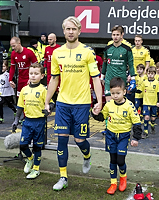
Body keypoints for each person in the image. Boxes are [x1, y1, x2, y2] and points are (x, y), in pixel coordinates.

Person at [44, 16, 103, 191]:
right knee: (61, 140)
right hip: (63, 103)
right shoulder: (57, 53)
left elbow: (96, 79)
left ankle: (87, 155)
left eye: (73, 29)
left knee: (79, 139)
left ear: (79, 31)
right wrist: (47, 101)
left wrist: (99, 101)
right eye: (68, 29)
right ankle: (63, 177)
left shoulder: (88, 52)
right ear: (63, 31)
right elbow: (54, 79)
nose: (70, 32)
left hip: (82, 104)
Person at [91, 77, 142, 195]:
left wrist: (136, 138)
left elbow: (137, 122)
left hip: (123, 136)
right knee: (113, 160)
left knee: (120, 160)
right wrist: (94, 113)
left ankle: (123, 178)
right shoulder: (109, 105)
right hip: (110, 135)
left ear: (124, 92)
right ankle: (113, 183)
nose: (115, 96)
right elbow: (101, 117)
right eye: (113, 93)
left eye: (118, 93)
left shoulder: (129, 106)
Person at [12, 63, 48, 179]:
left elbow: (50, 103)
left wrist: (49, 109)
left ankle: (36, 169)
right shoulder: (24, 89)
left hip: (39, 122)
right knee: (23, 145)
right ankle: (30, 159)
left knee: (37, 147)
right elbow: (20, 106)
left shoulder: (44, 90)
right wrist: (16, 120)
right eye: (31, 73)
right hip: (27, 122)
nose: (33, 76)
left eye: (36, 74)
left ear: (42, 76)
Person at [102, 25, 136, 102]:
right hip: (109, 79)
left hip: (121, 78)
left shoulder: (127, 49)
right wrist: (102, 76)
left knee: (119, 102)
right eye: (114, 35)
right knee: (109, 102)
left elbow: (131, 64)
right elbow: (105, 64)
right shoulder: (107, 49)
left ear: (122, 35)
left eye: (117, 35)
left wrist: (133, 78)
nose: (115, 37)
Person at [140, 66, 159, 137]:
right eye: (149, 73)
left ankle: (152, 125)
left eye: (152, 73)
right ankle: (145, 131)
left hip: (154, 103)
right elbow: (140, 90)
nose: (150, 75)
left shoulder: (157, 83)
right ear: (147, 74)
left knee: (153, 118)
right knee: (146, 117)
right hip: (146, 102)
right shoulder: (144, 82)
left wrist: (158, 102)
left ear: (155, 74)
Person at [0, 60, 17, 124]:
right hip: (1, 91)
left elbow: (13, 80)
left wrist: (13, 84)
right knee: (0, 104)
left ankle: (15, 111)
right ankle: (1, 117)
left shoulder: (8, 74)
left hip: (8, 91)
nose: (2, 68)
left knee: (9, 104)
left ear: (6, 67)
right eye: (1, 66)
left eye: (3, 66)